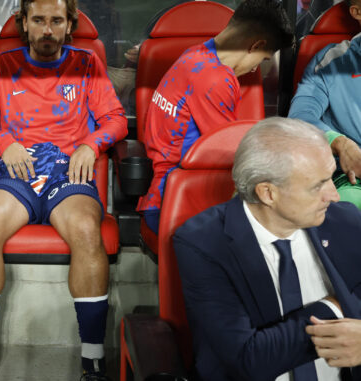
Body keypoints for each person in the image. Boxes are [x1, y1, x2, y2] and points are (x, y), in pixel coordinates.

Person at [0, 0, 127, 379]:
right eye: (38, 21)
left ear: (69, 25)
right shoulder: (4, 64)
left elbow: (116, 120)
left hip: (67, 172)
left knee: (87, 229)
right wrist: (2, 140)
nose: (47, 30)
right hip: (17, 171)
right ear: (24, 24)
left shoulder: (87, 64)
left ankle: (93, 359)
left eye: (56, 21)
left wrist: (91, 143)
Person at [174, 117, 361, 381]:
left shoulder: (345, 221)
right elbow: (248, 360)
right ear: (267, 193)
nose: (334, 195)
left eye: (331, 178)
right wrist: (335, 308)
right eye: (318, 185)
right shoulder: (203, 244)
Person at [137, 0, 295, 234]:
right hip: (183, 204)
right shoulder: (214, 78)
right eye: (262, 59)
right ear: (255, 45)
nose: (255, 70)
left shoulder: (193, 54)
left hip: (163, 196)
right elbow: (234, 160)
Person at [288, 0, 361, 210]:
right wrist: (339, 142)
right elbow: (299, 117)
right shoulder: (331, 61)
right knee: (349, 209)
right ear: (357, 13)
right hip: (350, 178)